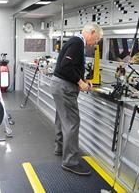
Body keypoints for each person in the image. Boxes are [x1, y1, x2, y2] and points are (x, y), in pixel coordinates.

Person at [51, 23, 103, 176]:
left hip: (60, 86)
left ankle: (60, 148)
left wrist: (83, 80)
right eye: (97, 39)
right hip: (64, 88)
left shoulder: (76, 43)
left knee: (61, 119)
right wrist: (80, 82)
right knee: (72, 123)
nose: (96, 42)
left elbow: (71, 67)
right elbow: (65, 66)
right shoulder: (77, 43)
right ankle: (70, 162)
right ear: (91, 32)